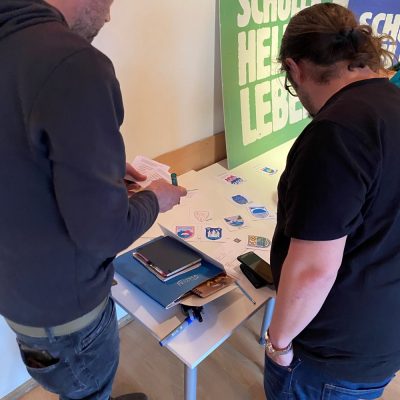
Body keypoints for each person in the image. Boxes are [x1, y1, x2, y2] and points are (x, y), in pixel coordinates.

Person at [0, 1, 186, 399]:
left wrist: (97, 169)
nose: (108, 16)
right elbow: (105, 233)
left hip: (19, 298)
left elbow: (20, 162)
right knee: (89, 389)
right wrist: (155, 198)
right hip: (70, 319)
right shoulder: (74, 63)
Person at [264, 3, 400, 399]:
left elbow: (313, 271)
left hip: (330, 355)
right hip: (381, 335)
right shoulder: (392, 103)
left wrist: (279, 343)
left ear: (294, 68)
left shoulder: (337, 132)